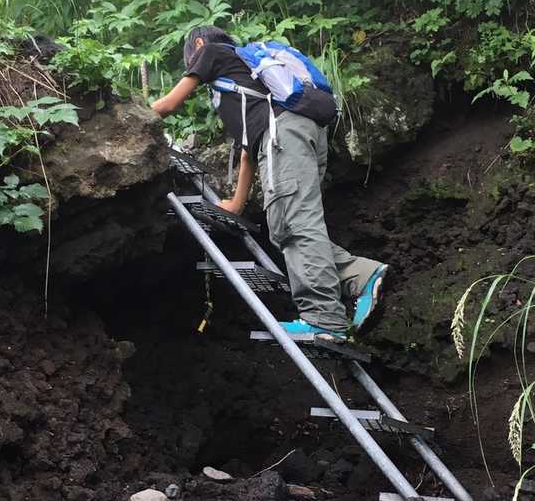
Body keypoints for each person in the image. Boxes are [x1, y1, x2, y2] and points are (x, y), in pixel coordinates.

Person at [150, 24, 387, 342]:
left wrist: (137, 122)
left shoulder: (211, 52)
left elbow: (167, 105)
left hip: (284, 136)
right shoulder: (242, 77)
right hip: (301, 135)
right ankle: (361, 274)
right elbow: (247, 151)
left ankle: (323, 318)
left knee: (296, 223)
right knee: (286, 226)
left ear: (198, 44)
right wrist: (237, 203)